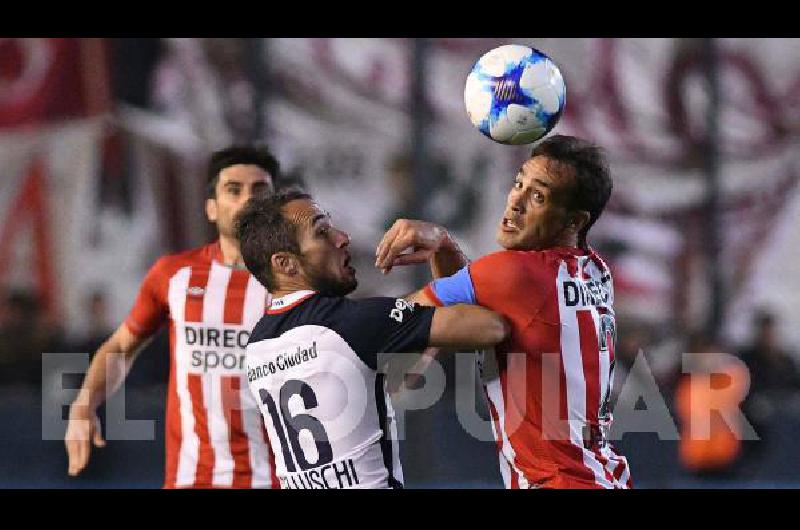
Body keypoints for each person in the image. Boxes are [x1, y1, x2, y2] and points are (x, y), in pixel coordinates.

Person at [375, 134, 632, 489]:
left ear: (574, 222)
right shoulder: (594, 270)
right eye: (518, 183)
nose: (515, 203)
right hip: (604, 477)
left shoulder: (517, 272)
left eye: (538, 196)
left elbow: (400, 318)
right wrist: (445, 245)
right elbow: (470, 309)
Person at [235, 190, 509, 489]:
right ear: (285, 264)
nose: (342, 238)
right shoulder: (351, 323)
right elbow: (491, 327)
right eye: (321, 232)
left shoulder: (257, 346)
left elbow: (401, 366)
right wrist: (442, 244)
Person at [65, 146, 280, 489]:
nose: (248, 199)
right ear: (211, 208)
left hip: (279, 480)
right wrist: (85, 403)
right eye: (233, 189)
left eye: (260, 190)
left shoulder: (298, 282)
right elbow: (121, 347)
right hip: (191, 479)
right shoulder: (174, 274)